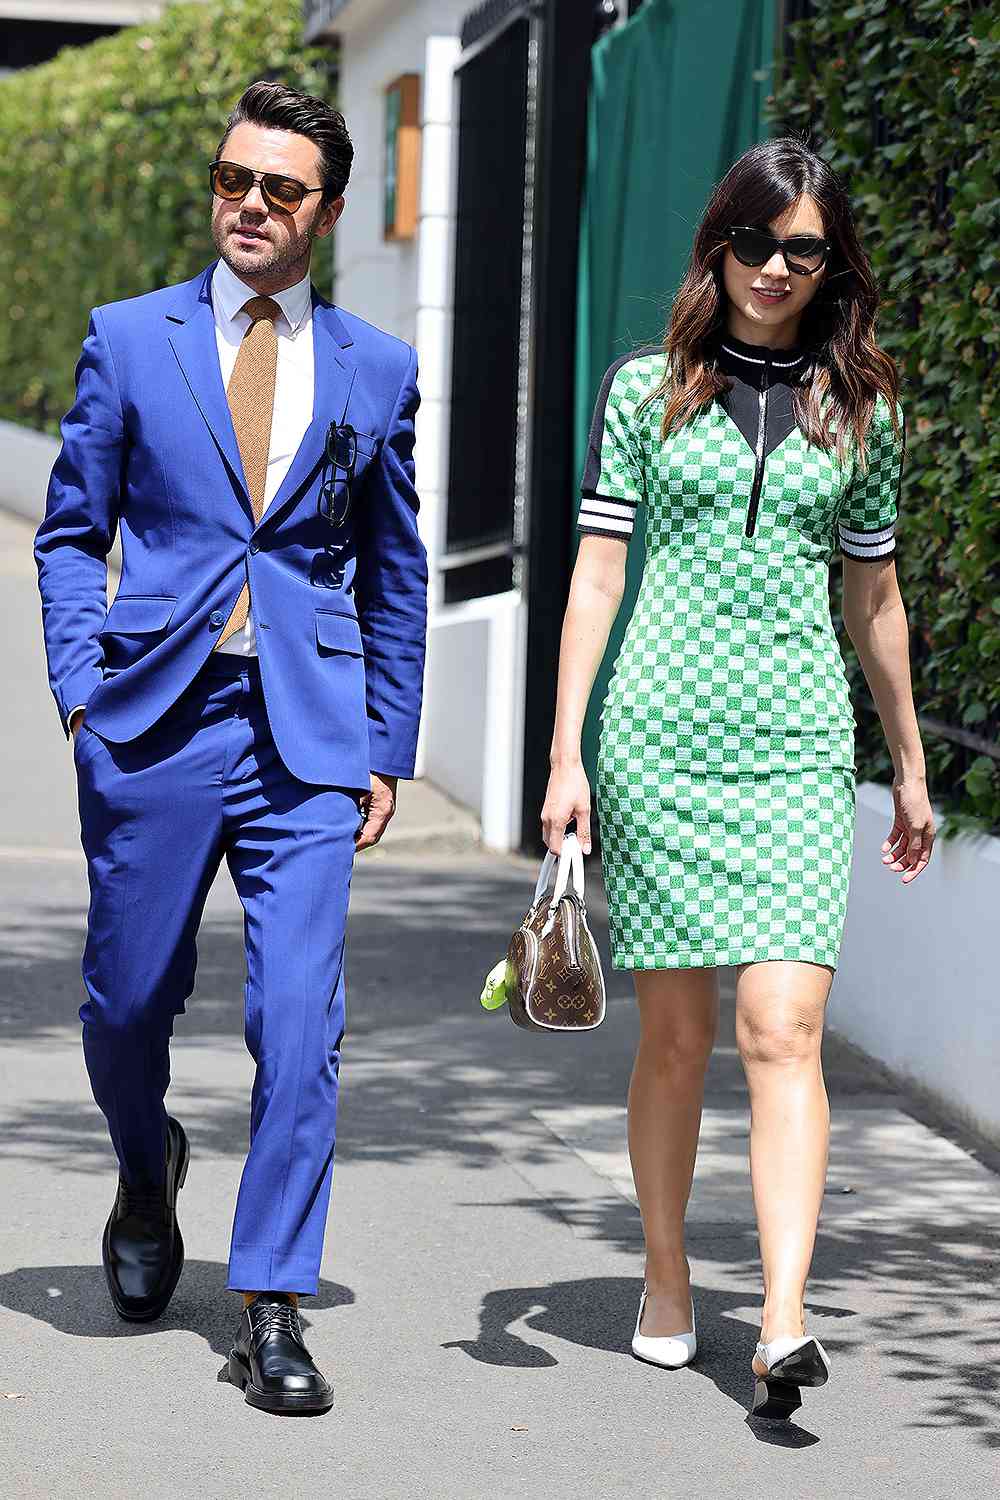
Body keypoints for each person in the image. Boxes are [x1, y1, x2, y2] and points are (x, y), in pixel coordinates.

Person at [34, 81, 427, 1416]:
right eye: (232, 180)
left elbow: (395, 569)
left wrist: (388, 743)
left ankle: (271, 1302)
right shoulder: (129, 341)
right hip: (153, 717)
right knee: (124, 1003)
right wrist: (80, 690)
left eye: (281, 189)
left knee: (300, 1019)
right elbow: (67, 528)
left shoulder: (377, 368)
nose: (249, 205)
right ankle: (148, 1174)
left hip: (307, 739)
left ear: (327, 211)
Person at [541, 136, 934, 1421]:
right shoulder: (648, 388)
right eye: (756, 243)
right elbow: (597, 575)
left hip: (797, 749)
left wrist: (911, 763)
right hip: (656, 740)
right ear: (721, 244)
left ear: (833, 266)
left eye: (803, 250)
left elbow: (871, 594)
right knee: (677, 1036)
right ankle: (666, 1281)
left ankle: (778, 1321)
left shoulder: (862, 408)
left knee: (785, 1030)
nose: (775, 268)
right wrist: (565, 755)